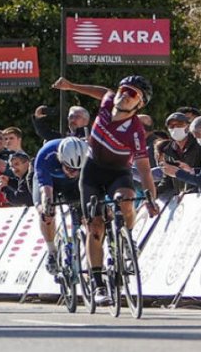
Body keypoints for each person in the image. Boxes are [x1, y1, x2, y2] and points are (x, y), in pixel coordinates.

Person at [53, 75, 159, 305]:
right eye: (123, 89)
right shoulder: (109, 101)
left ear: (139, 104)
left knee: (127, 200)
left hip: (117, 173)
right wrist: (72, 85)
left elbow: (144, 168)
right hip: (91, 172)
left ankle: (126, 240)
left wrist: (150, 196)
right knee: (95, 226)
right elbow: (100, 90)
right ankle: (98, 283)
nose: (123, 94)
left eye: (132, 94)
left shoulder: (135, 131)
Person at [33, 137, 88, 275]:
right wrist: (47, 208)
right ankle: (51, 250)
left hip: (74, 184)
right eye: (69, 168)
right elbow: (46, 190)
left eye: (77, 169)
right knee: (46, 213)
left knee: (87, 212)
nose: (72, 172)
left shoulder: (88, 155)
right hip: (49, 182)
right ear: (60, 159)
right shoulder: (46, 156)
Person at [157, 112, 201, 196]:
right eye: (171, 126)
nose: (175, 128)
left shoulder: (200, 145)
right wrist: (154, 193)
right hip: (181, 199)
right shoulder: (168, 150)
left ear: (188, 127)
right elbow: (167, 180)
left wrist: (190, 191)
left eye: (179, 124)